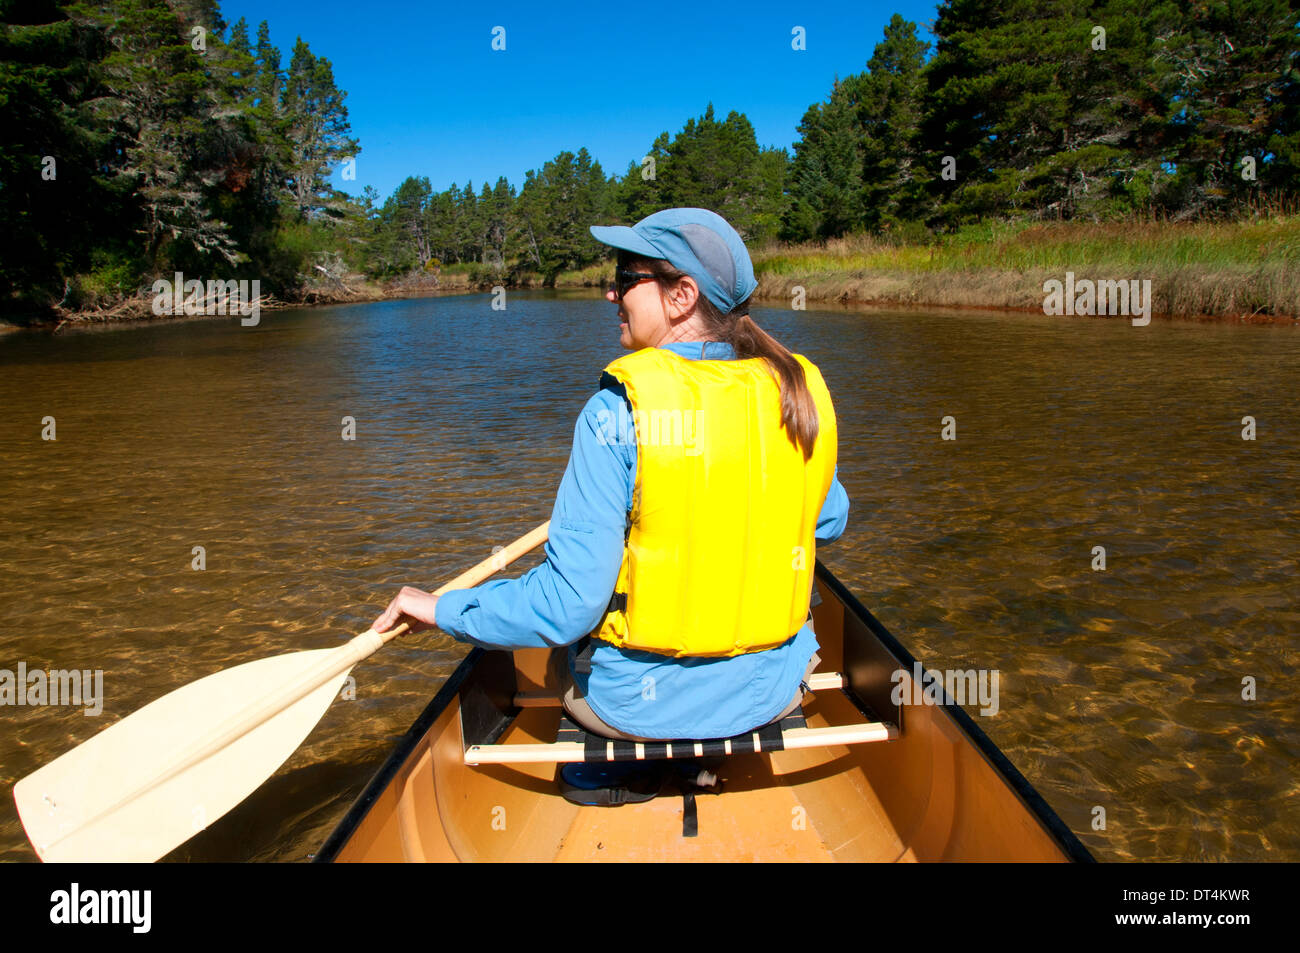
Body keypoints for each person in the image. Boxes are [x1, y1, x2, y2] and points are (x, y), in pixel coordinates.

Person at [371, 207, 849, 751]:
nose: (610, 294)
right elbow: (829, 521)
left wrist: (440, 609)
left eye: (625, 279)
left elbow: (565, 608)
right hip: (773, 693)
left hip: (632, 708)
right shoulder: (794, 393)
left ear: (681, 296)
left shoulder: (615, 413)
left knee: (565, 632)